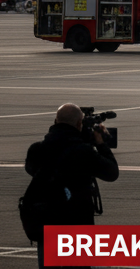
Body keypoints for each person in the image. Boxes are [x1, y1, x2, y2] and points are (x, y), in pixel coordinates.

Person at [23, 104, 120, 268]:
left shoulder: (37, 150)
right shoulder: (83, 152)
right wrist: (100, 144)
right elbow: (112, 173)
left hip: (46, 224)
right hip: (77, 225)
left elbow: (31, 170)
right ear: (78, 125)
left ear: (55, 121)